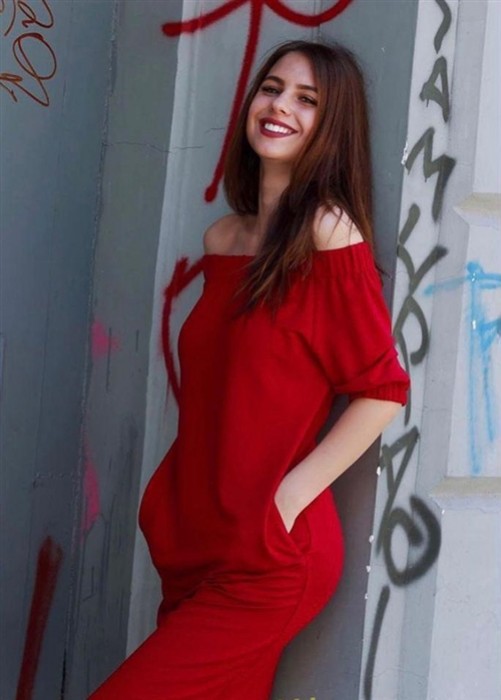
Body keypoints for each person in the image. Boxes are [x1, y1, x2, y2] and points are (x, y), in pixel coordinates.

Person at [89, 39, 410, 700]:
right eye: (271, 88)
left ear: (332, 127)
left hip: (267, 559)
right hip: (193, 543)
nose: (279, 106)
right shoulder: (224, 240)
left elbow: (382, 389)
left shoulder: (328, 233)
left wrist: (286, 500)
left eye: (306, 99)